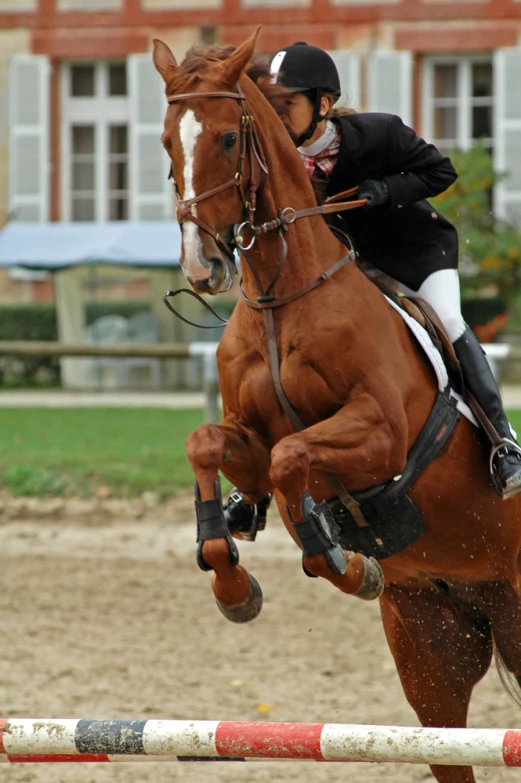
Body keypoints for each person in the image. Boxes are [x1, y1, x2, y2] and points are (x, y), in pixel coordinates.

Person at [224, 41, 521, 534]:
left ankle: (503, 445)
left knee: (447, 320)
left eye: (285, 105)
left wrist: (385, 190)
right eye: (269, 108)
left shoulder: (377, 133)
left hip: (415, 256)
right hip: (345, 272)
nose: (275, 117)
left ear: (322, 104)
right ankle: (251, 487)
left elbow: (439, 171)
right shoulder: (273, 159)